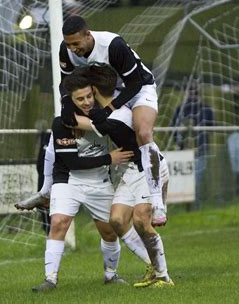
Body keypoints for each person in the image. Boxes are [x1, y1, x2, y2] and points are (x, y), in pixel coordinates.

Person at [59, 15, 167, 226]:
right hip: (105, 95)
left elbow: (135, 83)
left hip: (137, 90)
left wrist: (109, 109)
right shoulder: (67, 51)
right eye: (68, 44)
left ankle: (157, 201)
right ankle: (47, 191)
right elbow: (66, 84)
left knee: (143, 132)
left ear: (88, 35)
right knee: (61, 126)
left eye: (76, 43)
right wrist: (66, 107)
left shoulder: (113, 45)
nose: (72, 48)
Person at [31, 73, 135, 293]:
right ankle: (50, 280)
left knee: (109, 232)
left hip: (100, 181)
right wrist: (109, 158)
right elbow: (71, 161)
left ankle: (111, 275)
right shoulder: (61, 123)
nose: (87, 102)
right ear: (70, 100)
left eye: (89, 96)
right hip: (68, 180)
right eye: (80, 99)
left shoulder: (105, 117)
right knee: (59, 222)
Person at [73, 64, 173, 288]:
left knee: (140, 221)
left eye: (88, 93)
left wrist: (64, 116)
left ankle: (163, 277)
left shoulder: (112, 118)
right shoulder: (115, 106)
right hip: (132, 170)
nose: (87, 99)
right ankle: (151, 264)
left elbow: (81, 123)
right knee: (117, 220)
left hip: (150, 169)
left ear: (94, 90)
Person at [171, 80, 214, 209]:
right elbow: (174, 130)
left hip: (198, 150)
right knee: (191, 181)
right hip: (187, 152)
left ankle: (194, 208)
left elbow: (210, 129)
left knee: (195, 181)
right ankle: (190, 207)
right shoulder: (181, 109)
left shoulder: (204, 109)